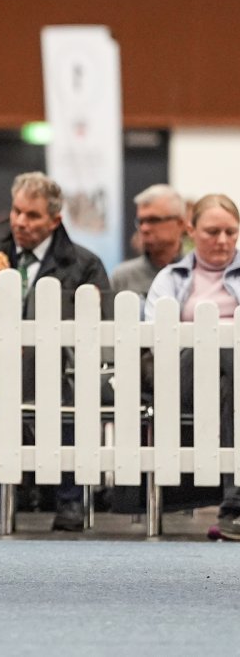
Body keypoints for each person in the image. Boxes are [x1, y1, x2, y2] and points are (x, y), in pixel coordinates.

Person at [0, 171, 110, 531]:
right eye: (17, 211)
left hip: (60, 371)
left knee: (70, 397)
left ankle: (70, 500)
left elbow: (100, 325)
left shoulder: (84, 264)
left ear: (54, 220)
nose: (21, 222)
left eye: (32, 215)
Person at [144, 193, 240, 540]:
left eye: (231, 232)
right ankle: (234, 507)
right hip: (183, 375)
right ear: (191, 231)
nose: (223, 240)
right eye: (213, 231)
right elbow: (157, 340)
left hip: (232, 381)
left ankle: (233, 508)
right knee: (224, 348)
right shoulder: (169, 279)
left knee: (231, 384)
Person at [112, 184, 186, 298]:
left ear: (180, 223)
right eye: (141, 221)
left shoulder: (197, 274)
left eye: (154, 220)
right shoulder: (123, 277)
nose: (144, 228)